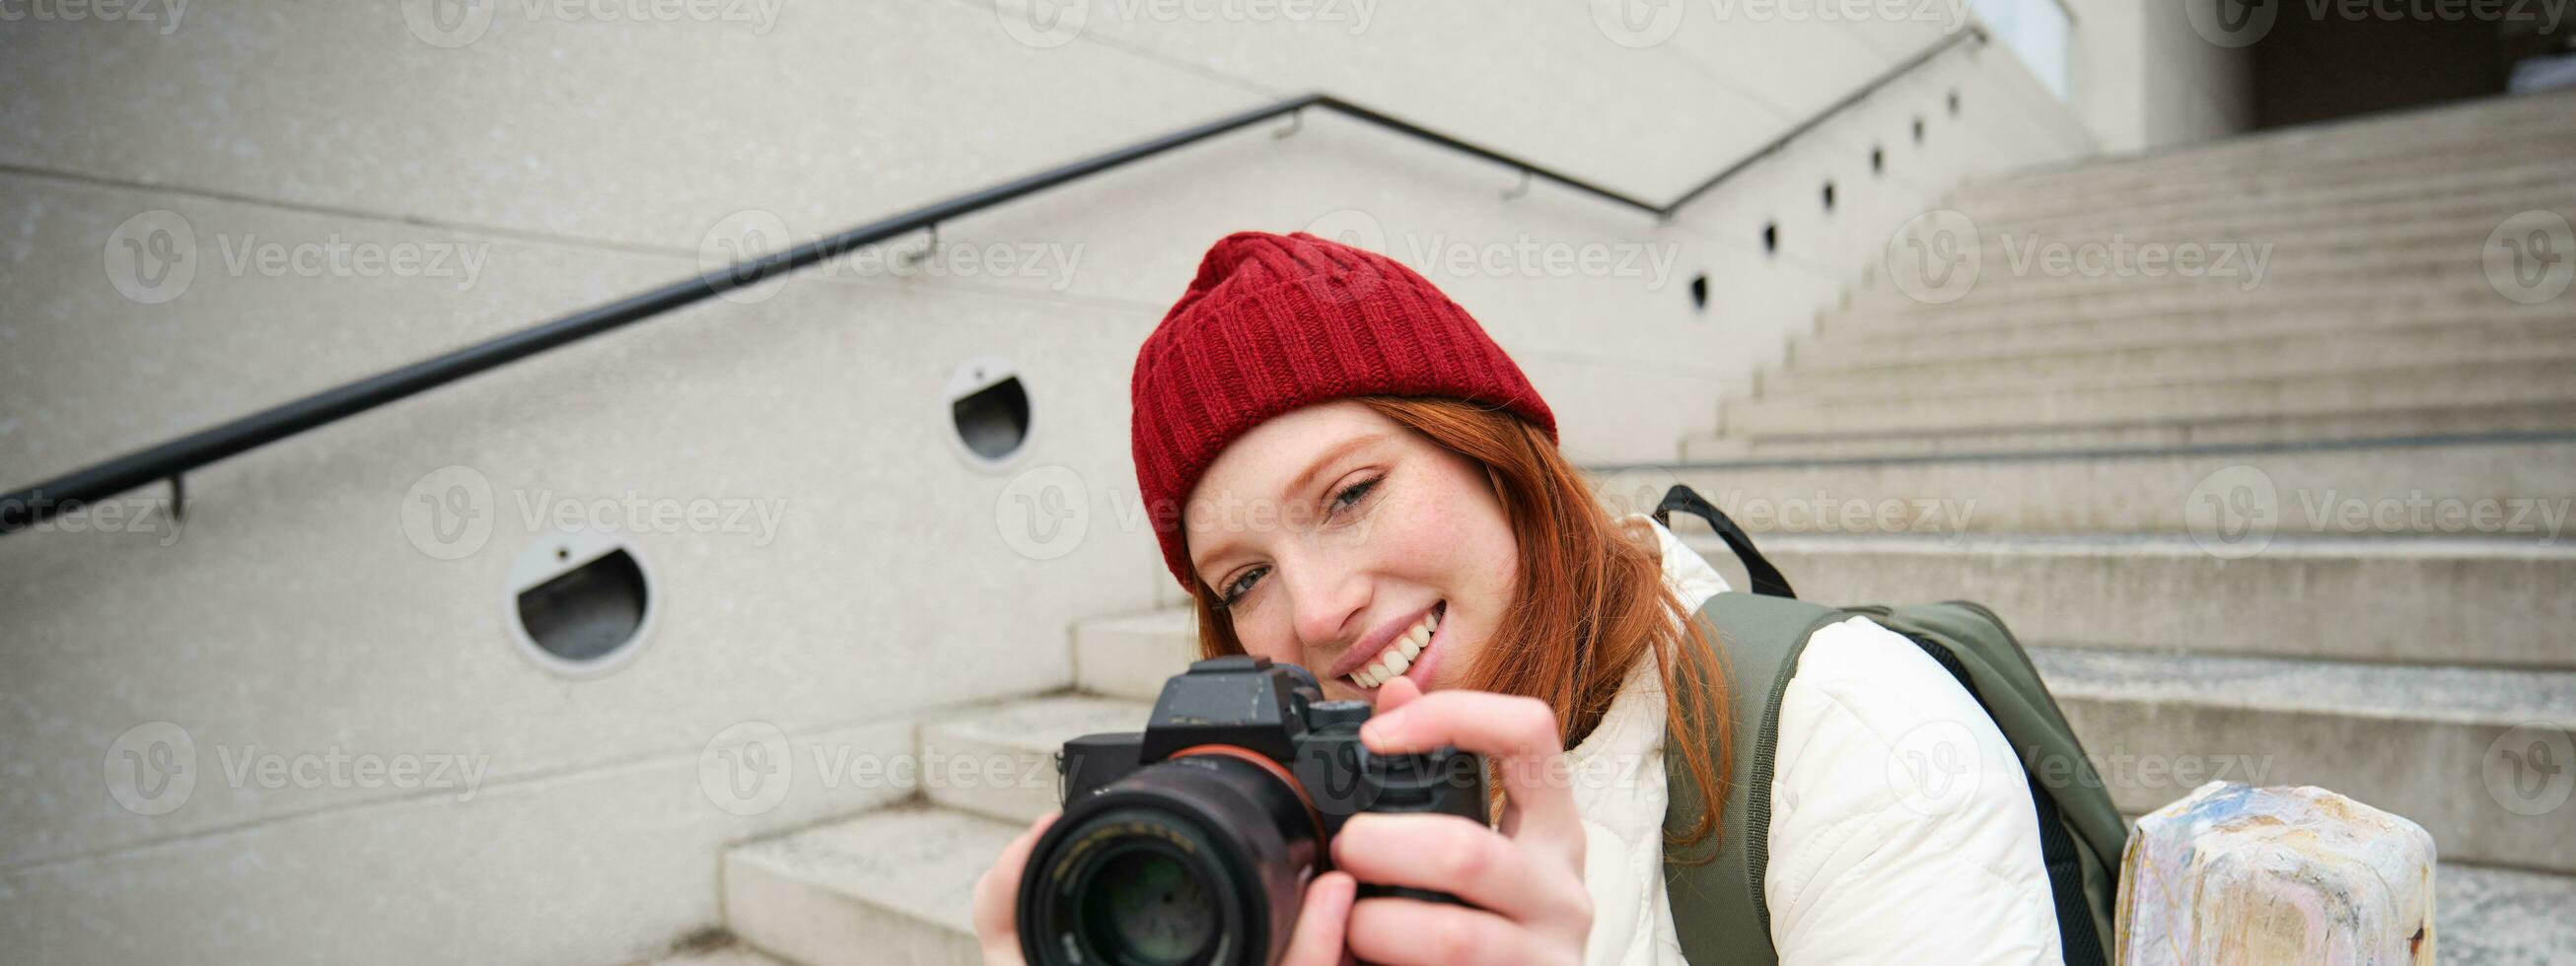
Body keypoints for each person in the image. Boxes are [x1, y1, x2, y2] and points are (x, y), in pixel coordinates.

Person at [972, 231, 2066, 965]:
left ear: (1497, 459)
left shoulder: (1856, 734)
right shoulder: (1277, 854)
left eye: (1350, 493)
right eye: (1244, 577)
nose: (1312, 612)